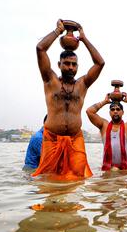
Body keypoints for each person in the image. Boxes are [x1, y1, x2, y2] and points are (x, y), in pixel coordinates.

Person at [33, 19, 105, 180]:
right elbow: (40, 49)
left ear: (78, 67)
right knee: (49, 181)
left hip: (75, 139)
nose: (71, 67)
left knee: (77, 181)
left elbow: (100, 63)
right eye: (67, 64)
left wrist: (84, 38)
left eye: (74, 64)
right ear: (59, 64)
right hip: (51, 139)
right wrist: (58, 31)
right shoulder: (50, 80)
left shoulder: (83, 84)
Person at [86, 94, 127, 171]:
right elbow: (89, 111)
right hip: (108, 170)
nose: (115, 111)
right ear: (109, 112)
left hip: (124, 171)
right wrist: (104, 102)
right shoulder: (104, 125)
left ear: (122, 112)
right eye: (112, 109)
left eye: (118, 109)